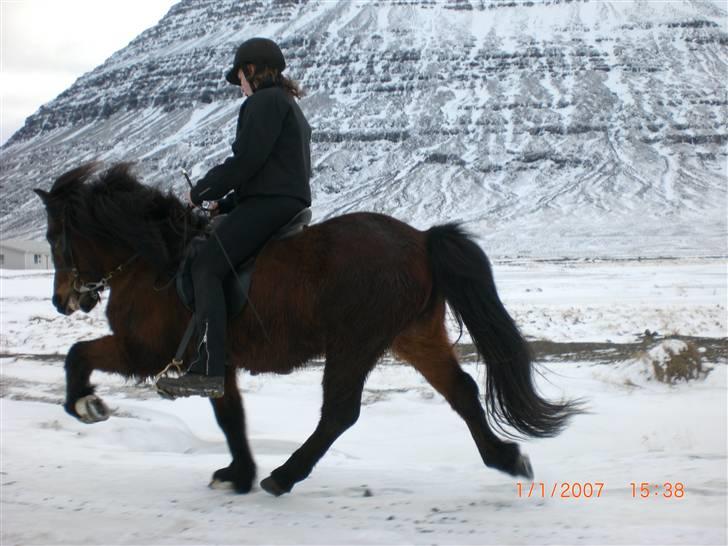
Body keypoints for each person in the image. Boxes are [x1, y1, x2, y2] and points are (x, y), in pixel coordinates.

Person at [157, 37, 312, 398]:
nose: (239, 85)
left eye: (240, 77)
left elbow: (245, 163)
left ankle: (210, 370)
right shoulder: (287, 104)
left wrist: (201, 191)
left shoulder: (262, 102)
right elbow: (267, 170)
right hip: (282, 201)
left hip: (271, 205)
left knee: (207, 265)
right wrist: (224, 205)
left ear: (252, 71)